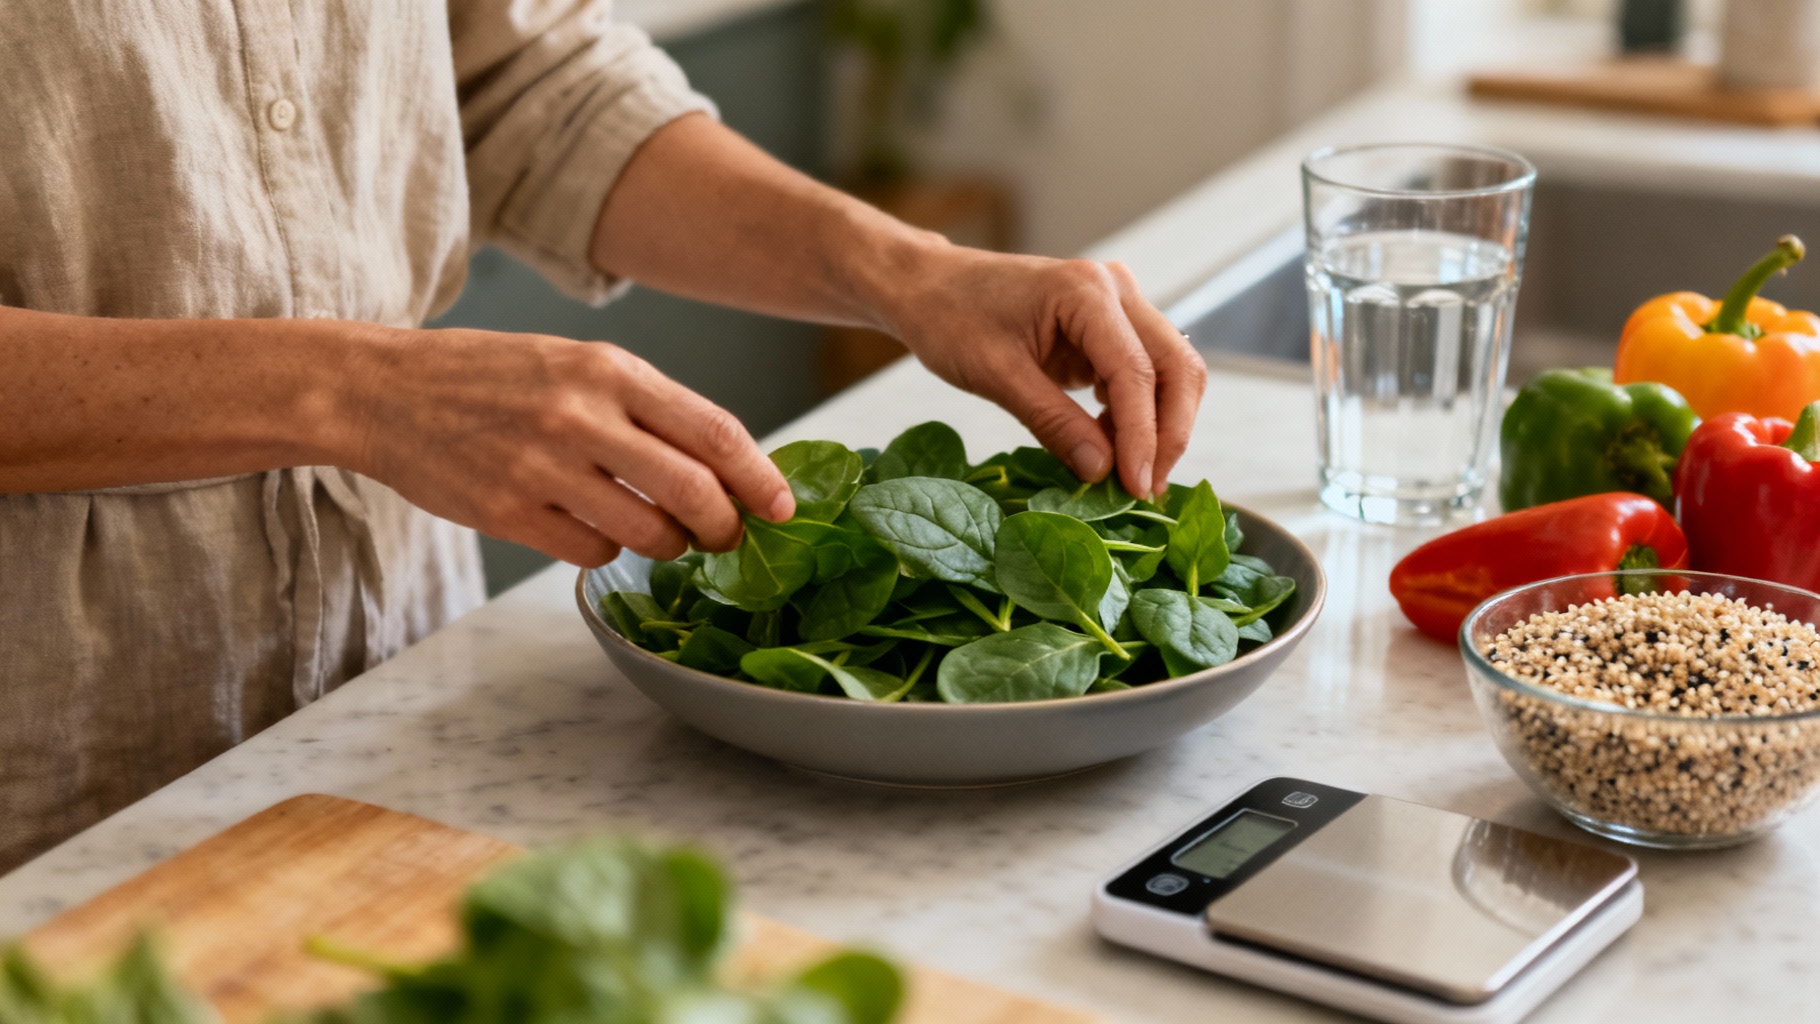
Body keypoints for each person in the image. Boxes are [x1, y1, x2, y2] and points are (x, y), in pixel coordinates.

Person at [0, 1, 1206, 870]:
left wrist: (907, 271)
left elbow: (527, 84)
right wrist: (353, 390)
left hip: (393, 692)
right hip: (54, 755)